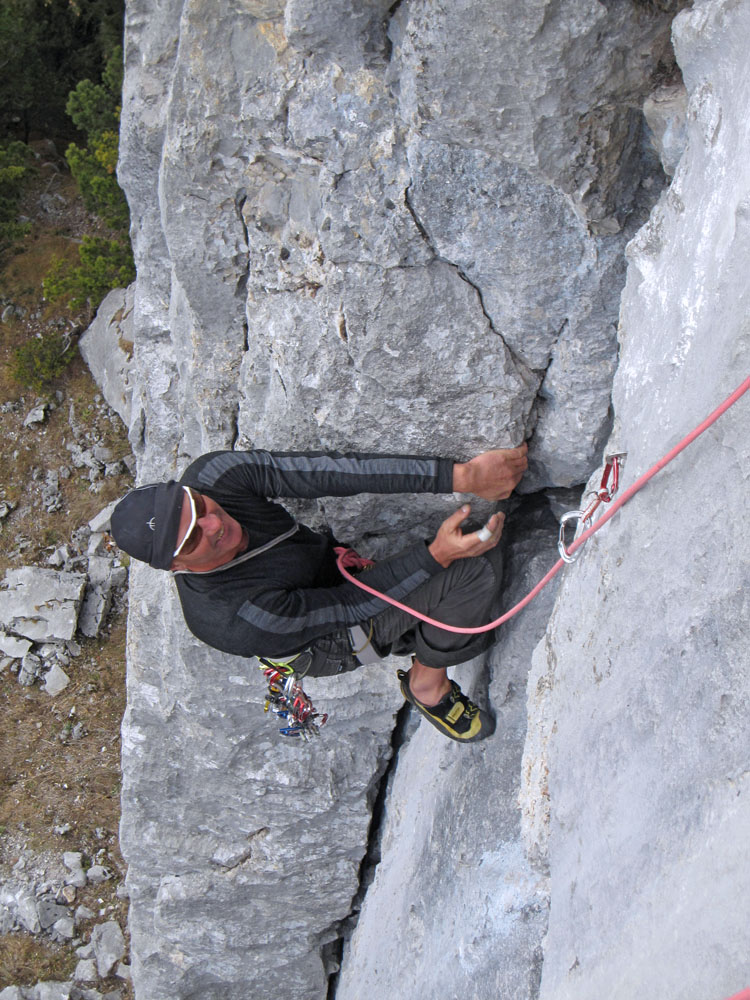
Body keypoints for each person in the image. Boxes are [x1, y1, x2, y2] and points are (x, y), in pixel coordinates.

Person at [110, 445, 528, 743]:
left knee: (466, 553)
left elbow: (330, 472)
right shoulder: (231, 617)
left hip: (325, 573)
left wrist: (460, 476)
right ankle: (427, 684)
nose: (213, 523)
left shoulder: (216, 476)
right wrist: (435, 556)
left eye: (199, 507)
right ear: (177, 566)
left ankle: (419, 628)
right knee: (473, 567)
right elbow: (352, 606)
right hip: (327, 639)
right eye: (193, 537)